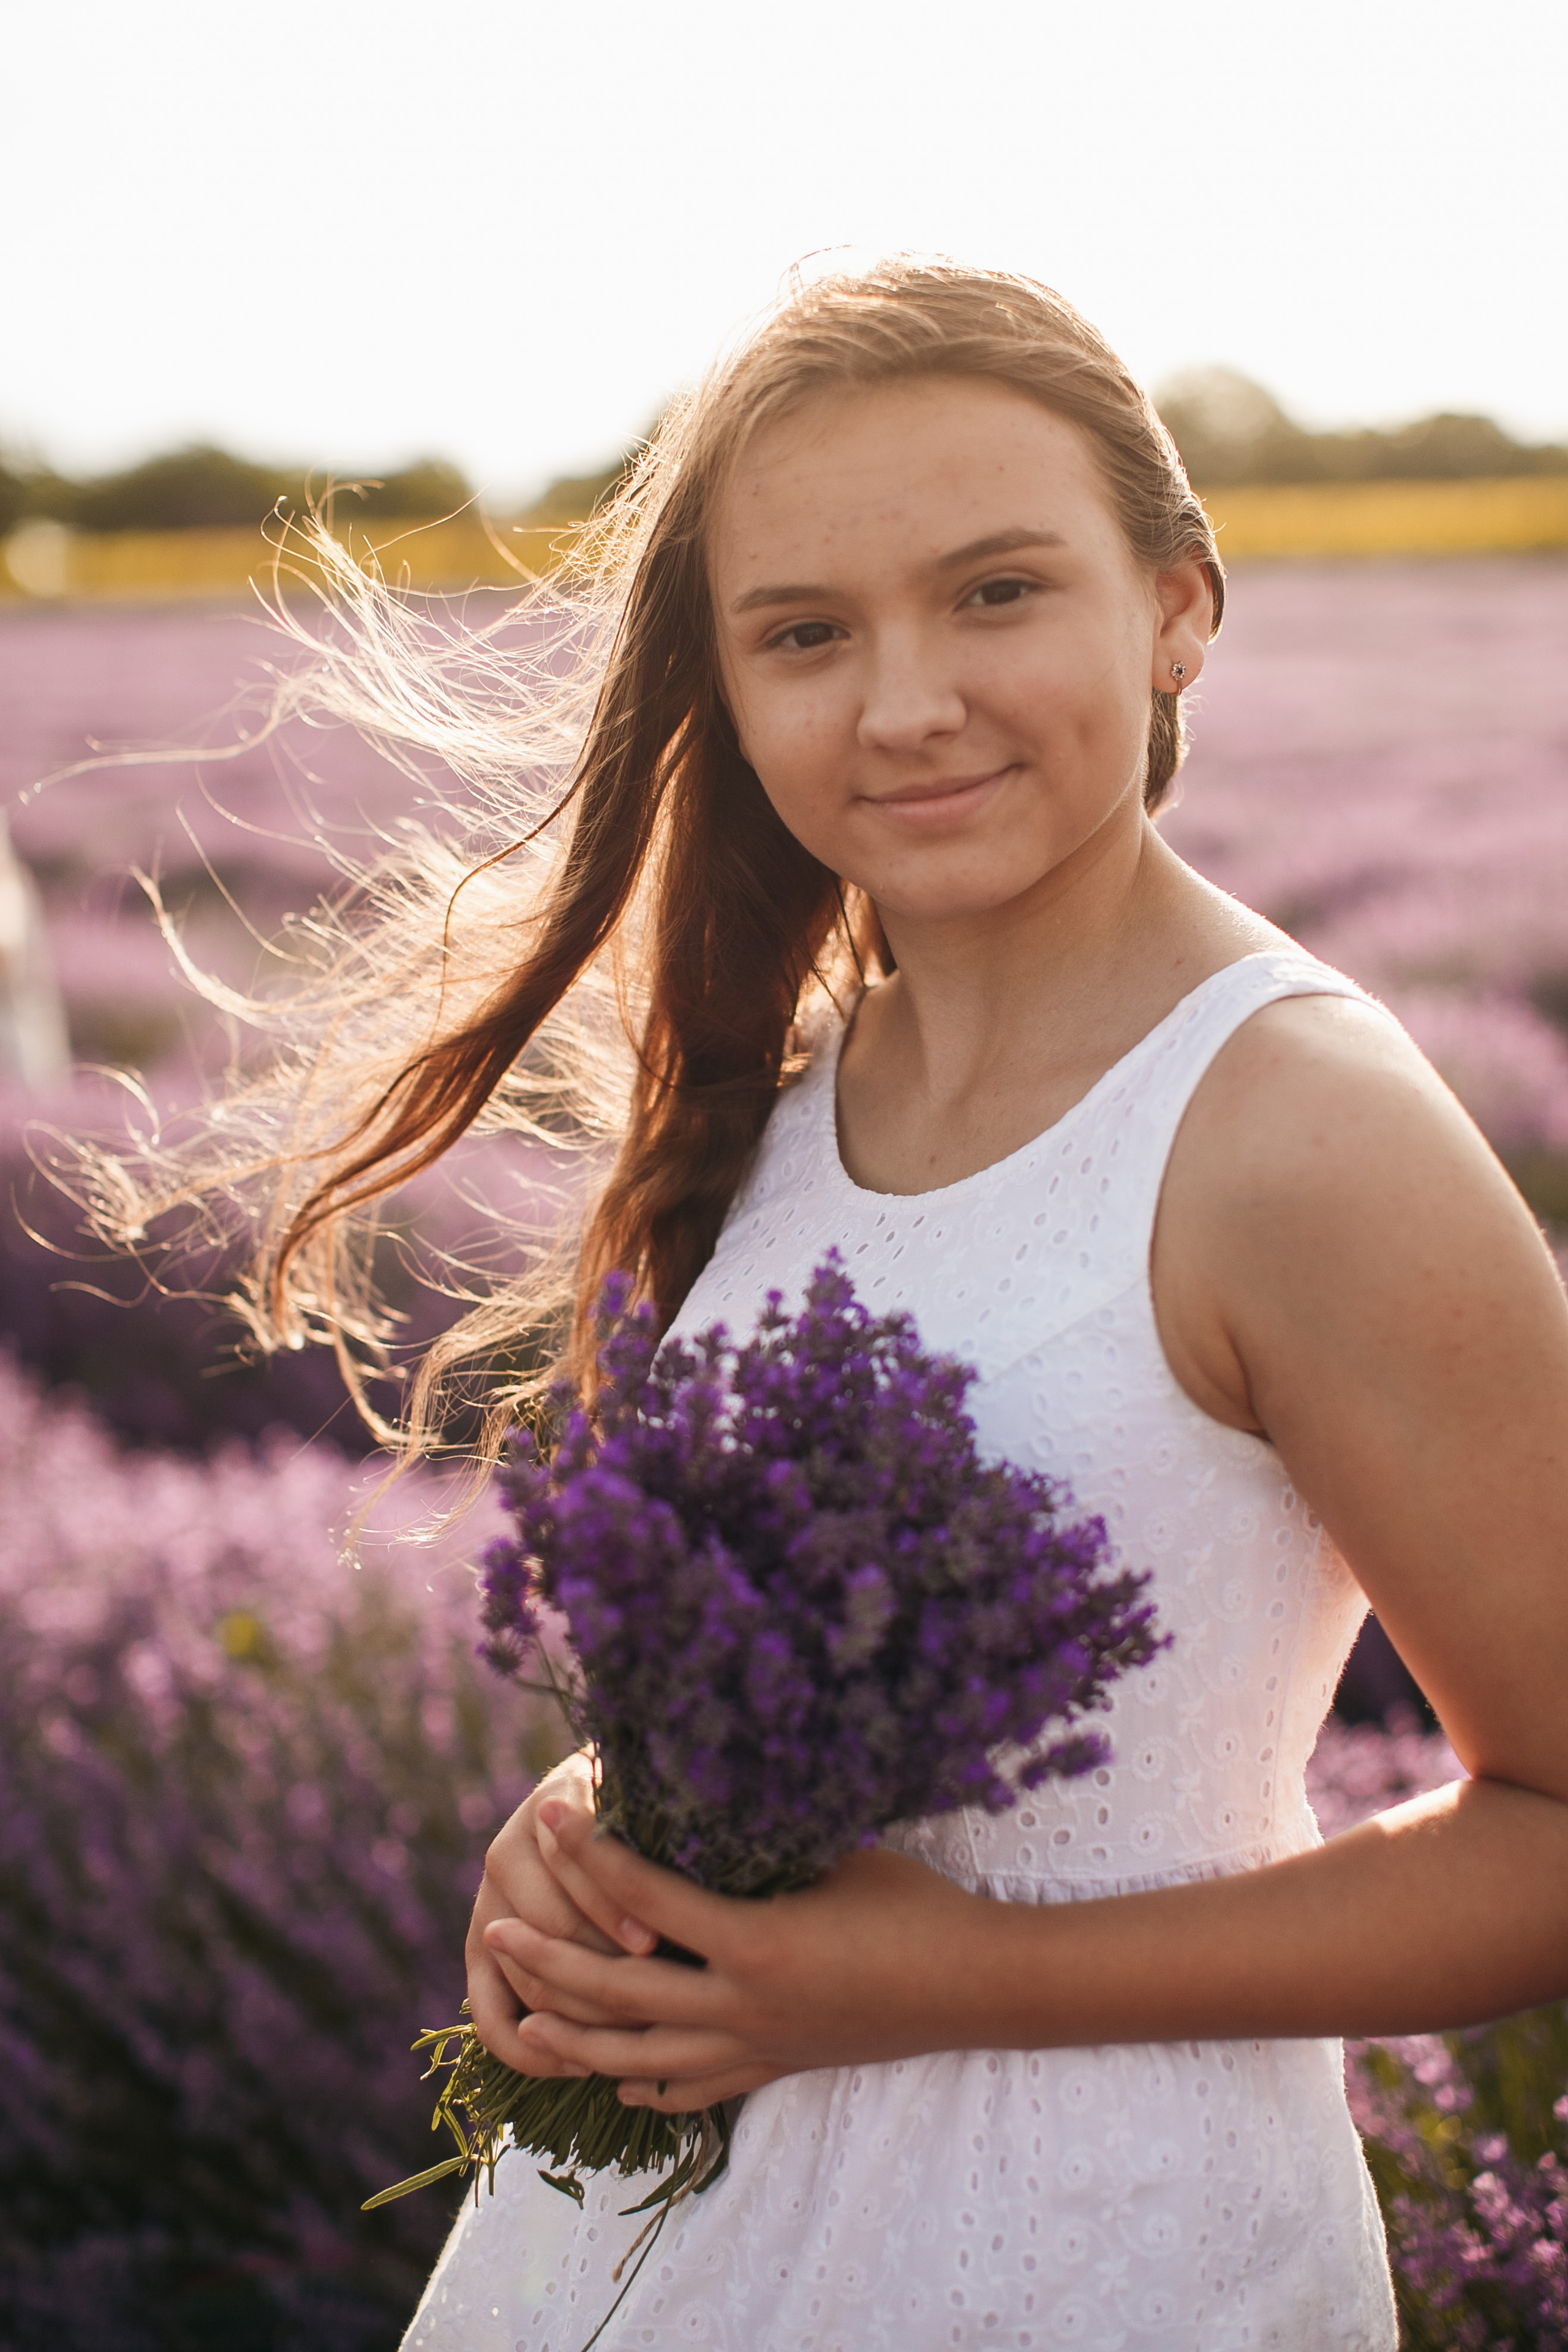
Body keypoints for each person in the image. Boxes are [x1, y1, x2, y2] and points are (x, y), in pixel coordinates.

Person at [92, 258, 1568, 2349]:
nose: (903, 704)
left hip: (1089, 2252)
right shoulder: (792, 1088)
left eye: (995, 593)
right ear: (728, 683)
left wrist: (939, 1982)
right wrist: (600, 1821)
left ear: (1177, 605)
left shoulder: (1299, 1133)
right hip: (660, 2228)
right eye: (807, 634)